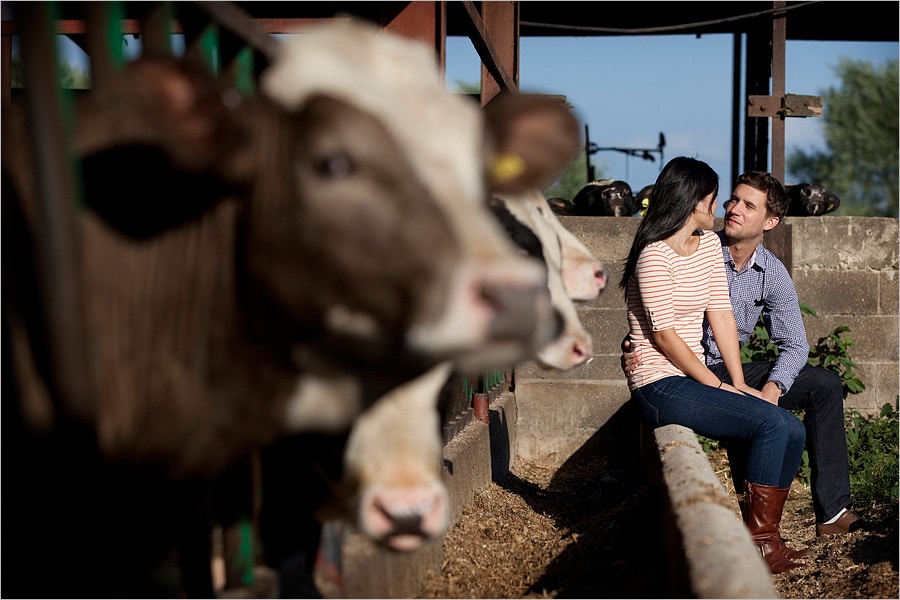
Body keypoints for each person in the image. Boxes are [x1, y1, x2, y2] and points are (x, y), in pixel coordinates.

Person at [623, 170, 866, 538]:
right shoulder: (697, 243)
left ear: (770, 222)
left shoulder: (771, 272)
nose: (732, 209)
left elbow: (795, 344)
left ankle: (831, 512)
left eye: (748, 205)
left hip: (725, 363)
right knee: (759, 420)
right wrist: (630, 344)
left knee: (824, 384)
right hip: (682, 367)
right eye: (733, 199)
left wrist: (772, 389)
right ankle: (756, 528)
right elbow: (655, 318)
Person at [620, 157, 807, 574]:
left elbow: (720, 311)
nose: (720, 205)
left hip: (691, 376)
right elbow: (665, 337)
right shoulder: (653, 256)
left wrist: (738, 381)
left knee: (792, 427)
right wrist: (715, 386)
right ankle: (758, 547)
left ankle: (766, 538)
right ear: (691, 200)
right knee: (771, 424)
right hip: (658, 382)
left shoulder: (706, 244)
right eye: (713, 196)